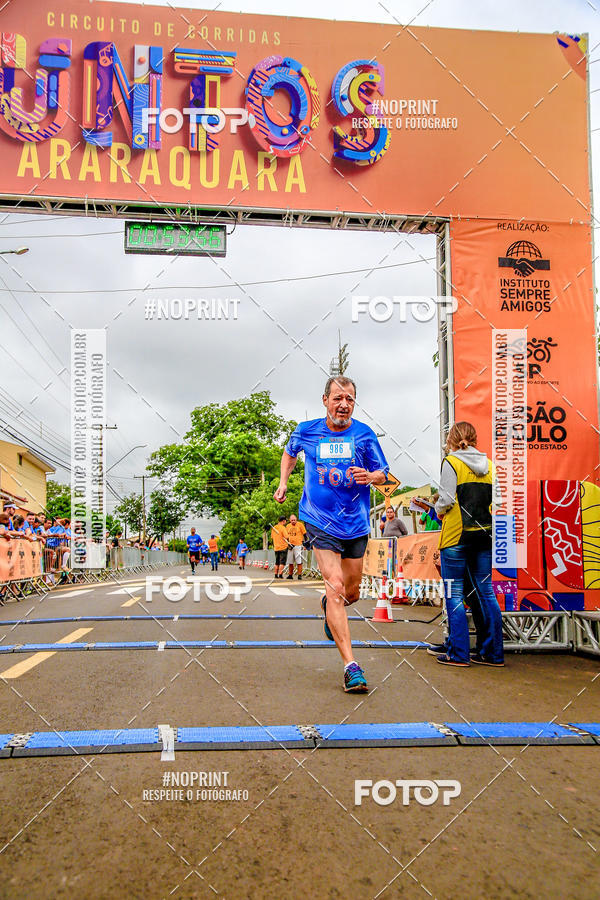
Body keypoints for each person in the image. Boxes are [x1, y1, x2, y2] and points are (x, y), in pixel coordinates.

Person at [274, 376, 389, 693]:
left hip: (355, 523)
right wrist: (283, 482)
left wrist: (370, 475)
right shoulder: (306, 430)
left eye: (350, 399)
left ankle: (330, 605)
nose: (344, 404)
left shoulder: (364, 435)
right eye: (338, 397)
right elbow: (290, 453)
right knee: (336, 587)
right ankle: (351, 667)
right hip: (319, 519)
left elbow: (385, 473)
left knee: (351, 593)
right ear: (325, 400)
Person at [433, 421, 504, 667]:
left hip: (456, 535)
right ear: (474, 439)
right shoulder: (491, 466)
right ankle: (493, 654)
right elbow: (498, 500)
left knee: (453, 594)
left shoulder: (451, 462)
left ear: (452, 439)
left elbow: (446, 500)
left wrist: (436, 509)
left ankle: (459, 654)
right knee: (486, 592)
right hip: (484, 535)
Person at [285, 513, 306, 579]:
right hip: (290, 545)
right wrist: (287, 544)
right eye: (292, 520)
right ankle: (290, 575)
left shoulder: (300, 525)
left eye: (294, 520)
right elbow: (286, 536)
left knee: (299, 561)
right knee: (290, 561)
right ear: (290, 520)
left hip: (298, 545)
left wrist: (305, 544)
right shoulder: (288, 526)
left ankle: (299, 575)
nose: (293, 521)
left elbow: (305, 534)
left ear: (296, 519)